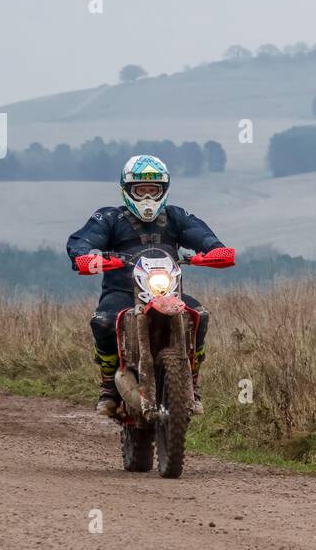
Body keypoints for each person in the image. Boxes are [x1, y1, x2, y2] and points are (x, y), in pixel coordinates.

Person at [66, 154, 230, 417]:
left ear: (163, 190)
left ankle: (193, 383)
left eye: (153, 190)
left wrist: (215, 252)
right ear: (127, 190)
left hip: (168, 292)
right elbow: (81, 242)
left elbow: (205, 237)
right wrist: (88, 257)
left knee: (199, 315)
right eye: (140, 190)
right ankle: (108, 384)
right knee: (104, 321)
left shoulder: (176, 217)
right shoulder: (109, 218)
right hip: (122, 292)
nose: (147, 198)